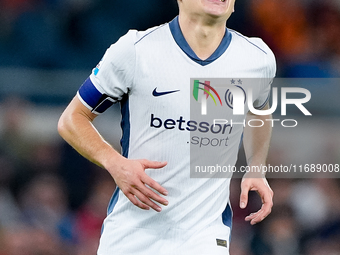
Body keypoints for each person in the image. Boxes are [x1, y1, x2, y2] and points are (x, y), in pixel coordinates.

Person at [58, 0, 275, 254]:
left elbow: (259, 110)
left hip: (204, 236)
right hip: (132, 234)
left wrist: (256, 167)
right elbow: (72, 119)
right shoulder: (136, 50)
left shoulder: (257, 59)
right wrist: (114, 162)